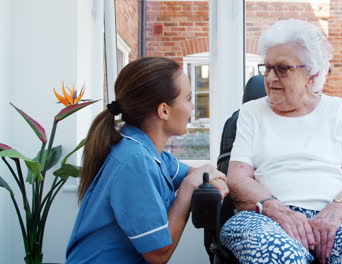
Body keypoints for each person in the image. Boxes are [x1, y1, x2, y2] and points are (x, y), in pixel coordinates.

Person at [220, 19, 342, 264]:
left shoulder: (337, 110)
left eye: (282, 68)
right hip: (266, 217)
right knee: (280, 256)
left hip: (339, 215)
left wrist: (337, 210)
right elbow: (238, 178)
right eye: (267, 67)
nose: (271, 77)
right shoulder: (251, 113)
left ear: (312, 74)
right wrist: (279, 211)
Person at [66, 56, 228, 264]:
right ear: (163, 110)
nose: (192, 107)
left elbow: (193, 173)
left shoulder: (145, 148)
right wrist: (187, 190)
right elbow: (158, 254)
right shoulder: (134, 160)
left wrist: (210, 176)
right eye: (187, 98)